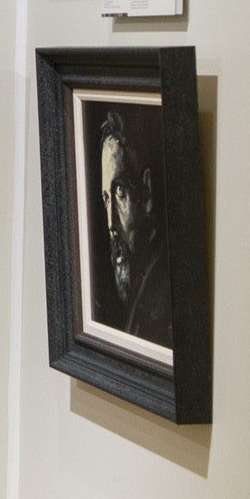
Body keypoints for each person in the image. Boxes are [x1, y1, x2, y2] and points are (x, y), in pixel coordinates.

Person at [94, 110, 169, 343]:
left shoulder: (162, 298)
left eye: (120, 192)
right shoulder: (143, 298)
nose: (110, 224)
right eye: (106, 198)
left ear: (146, 192)